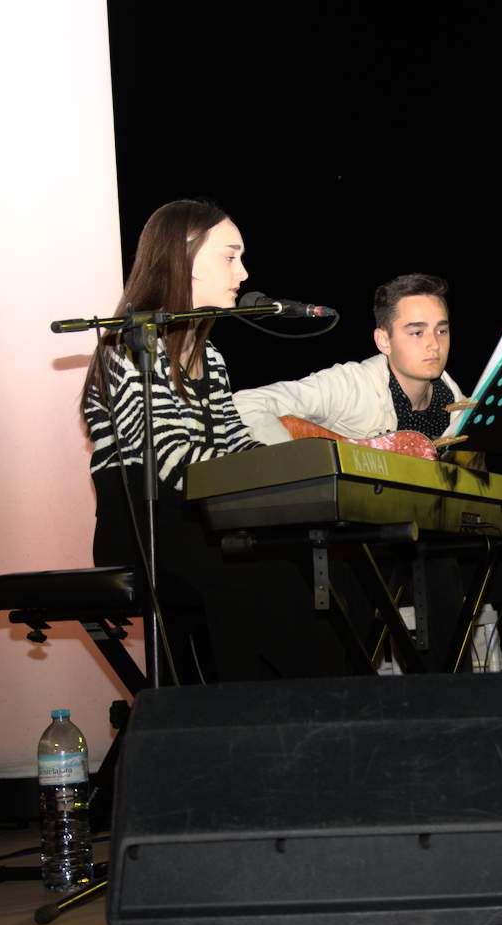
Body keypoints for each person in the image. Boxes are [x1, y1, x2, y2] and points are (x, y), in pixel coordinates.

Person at [231, 274, 502, 708]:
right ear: (383, 340)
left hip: (428, 541)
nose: (433, 345)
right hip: (355, 547)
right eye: (416, 332)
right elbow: (245, 405)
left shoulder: (457, 406)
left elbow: (473, 507)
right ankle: (441, 709)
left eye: (441, 330)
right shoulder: (352, 385)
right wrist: (321, 467)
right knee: (433, 563)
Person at [82, 198, 335, 682]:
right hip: (143, 527)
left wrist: (305, 470)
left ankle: (301, 705)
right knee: (261, 575)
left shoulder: (211, 357)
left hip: (201, 521)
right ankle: (255, 709)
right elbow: (173, 461)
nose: (243, 272)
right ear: (185, 259)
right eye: (230, 257)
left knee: (321, 564)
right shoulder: (126, 347)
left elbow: (235, 443)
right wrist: (270, 478)